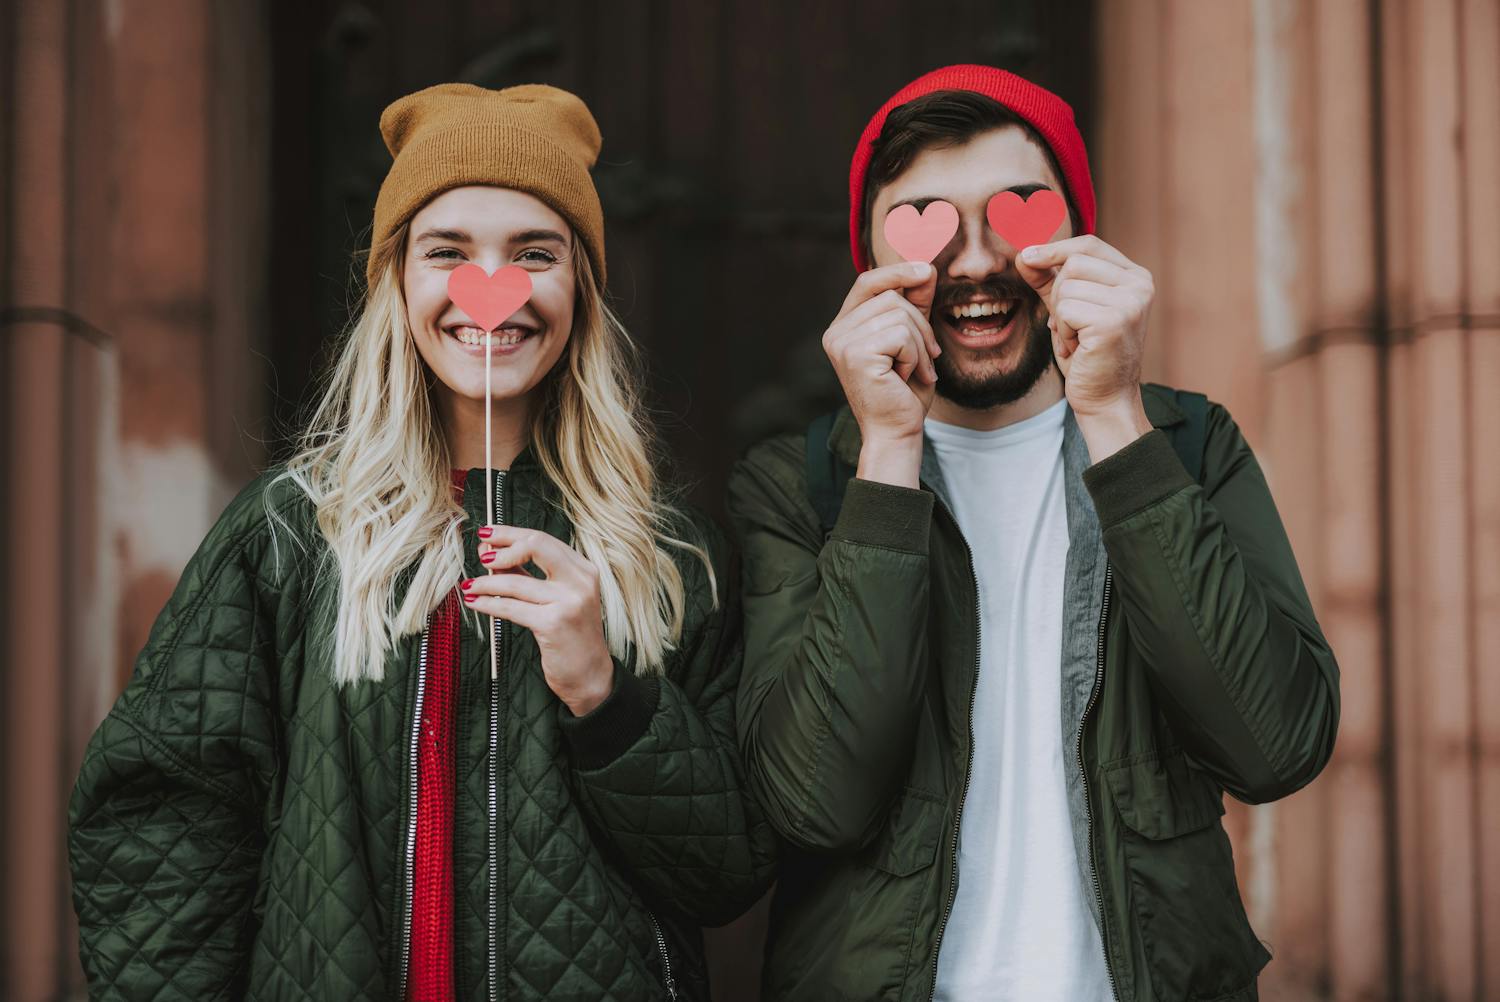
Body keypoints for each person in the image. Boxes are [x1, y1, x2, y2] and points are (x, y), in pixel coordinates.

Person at [69, 81, 774, 1002]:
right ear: (399, 280)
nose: (497, 287)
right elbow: (158, 816)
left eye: (536, 253)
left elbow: (726, 874)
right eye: (449, 251)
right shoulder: (290, 533)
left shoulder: (669, 558)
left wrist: (607, 696)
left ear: (582, 290)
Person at [728, 64, 1339, 1001]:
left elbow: (1275, 745)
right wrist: (888, 452)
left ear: (1080, 240)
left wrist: (1115, 420)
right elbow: (816, 803)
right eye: (926, 224)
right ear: (874, 266)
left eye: (1015, 213)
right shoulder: (799, 484)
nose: (973, 262)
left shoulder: (1185, 443)